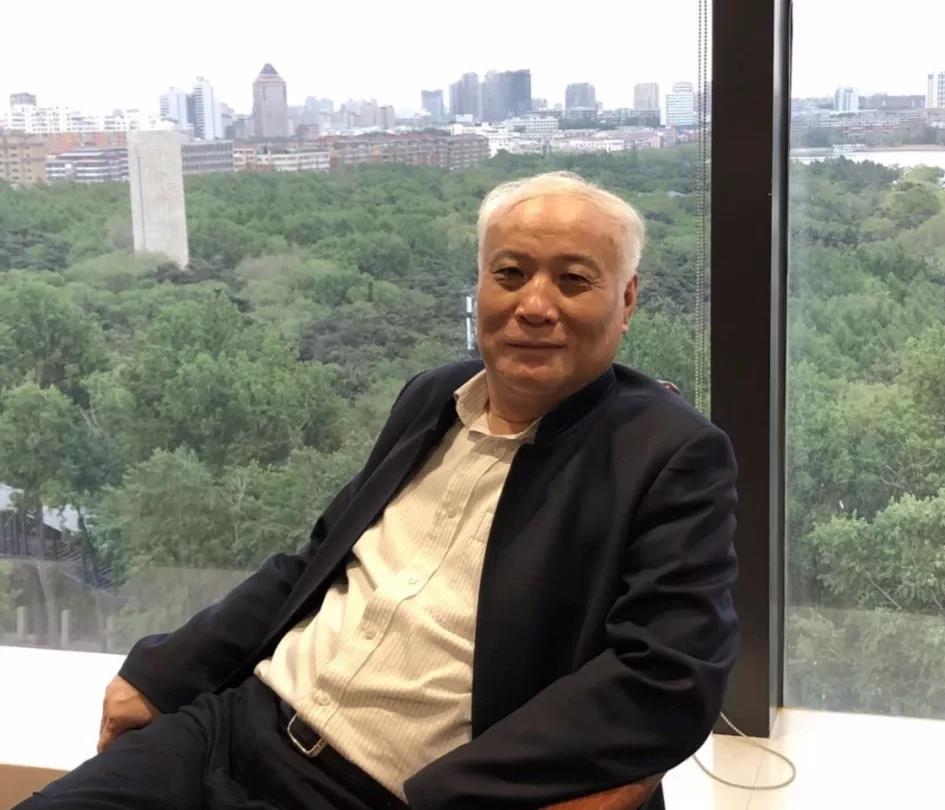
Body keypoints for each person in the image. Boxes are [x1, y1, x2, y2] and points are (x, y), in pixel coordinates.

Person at [20, 171, 739, 810]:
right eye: (510, 273)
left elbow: (667, 678)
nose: (534, 305)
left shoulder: (668, 453)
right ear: (481, 285)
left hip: (389, 792)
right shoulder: (433, 397)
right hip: (233, 731)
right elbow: (315, 562)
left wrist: (451, 794)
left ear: (627, 299)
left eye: (573, 281)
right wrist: (165, 671)